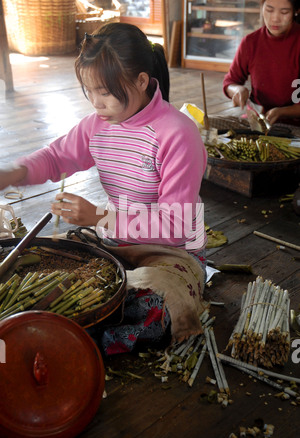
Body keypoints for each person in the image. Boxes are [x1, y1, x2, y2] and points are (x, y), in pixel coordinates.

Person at [0, 23, 207, 354]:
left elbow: (176, 226)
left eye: (105, 92)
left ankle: (61, 342)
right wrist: (13, 173)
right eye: (89, 91)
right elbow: (56, 157)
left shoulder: (177, 134)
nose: (95, 103)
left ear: (141, 81)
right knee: (30, 265)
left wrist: (98, 216)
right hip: (113, 241)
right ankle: (52, 331)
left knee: (150, 306)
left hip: (171, 251)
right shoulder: (97, 126)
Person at [223, 0, 300, 126]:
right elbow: (230, 82)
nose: (275, 19)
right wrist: (237, 90)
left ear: (296, 11)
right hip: (258, 121)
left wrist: (282, 112)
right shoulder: (250, 42)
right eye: (269, 10)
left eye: (284, 12)